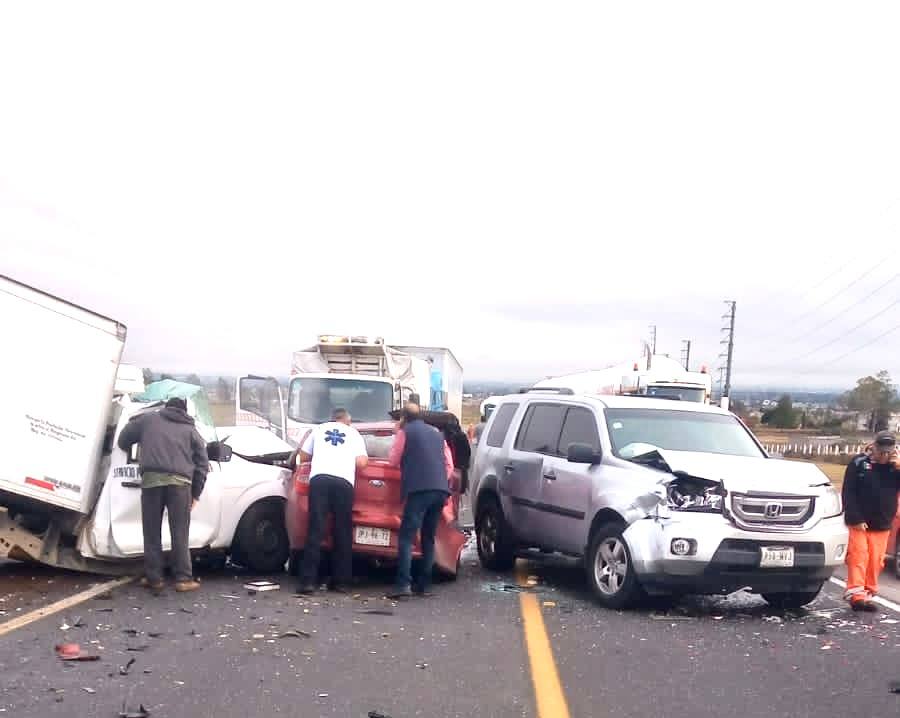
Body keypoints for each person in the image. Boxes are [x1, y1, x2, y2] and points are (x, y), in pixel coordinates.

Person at [117, 397, 209, 593]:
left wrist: (136, 446)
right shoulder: (191, 430)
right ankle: (183, 579)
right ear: (185, 412)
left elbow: (123, 438)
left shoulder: (148, 420)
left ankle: (154, 578)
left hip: (152, 481)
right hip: (180, 486)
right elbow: (202, 464)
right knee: (180, 532)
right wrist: (196, 493)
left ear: (167, 408)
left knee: (151, 531)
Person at [296, 408, 368, 595]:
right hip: (344, 482)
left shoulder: (318, 429)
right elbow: (362, 463)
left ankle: (308, 582)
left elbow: (303, 457)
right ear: (347, 421)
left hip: (319, 480)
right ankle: (341, 582)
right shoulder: (354, 433)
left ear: (333, 419)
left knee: (316, 528)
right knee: (342, 530)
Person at [387, 404, 454, 599]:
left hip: (419, 490)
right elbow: (449, 465)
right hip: (440, 490)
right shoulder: (437, 434)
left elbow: (393, 460)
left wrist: (398, 432)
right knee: (428, 537)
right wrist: (437, 480)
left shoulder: (405, 432)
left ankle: (403, 585)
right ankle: (424, 586)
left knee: (406, 538)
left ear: (403, 418)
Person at [841, 430, 900, 612]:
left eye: (888, 452)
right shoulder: (859, 463)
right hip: (859, 521)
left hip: (882, 522)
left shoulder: (895, 468)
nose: (884, 456)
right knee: (859, 557)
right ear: (874, 447)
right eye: (881, 452)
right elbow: (848, 491)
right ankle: (856, 595)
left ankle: (868, 593)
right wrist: (855, 517)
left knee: (876, 561)